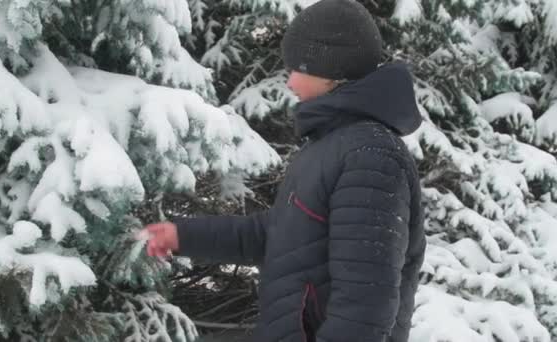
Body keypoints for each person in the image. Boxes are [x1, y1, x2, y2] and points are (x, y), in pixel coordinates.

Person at [138, 0, 426, 341]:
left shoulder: (371, 156)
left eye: (296, 68)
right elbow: (277, 235)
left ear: (329, 70)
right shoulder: (332, 146)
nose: (288, 82)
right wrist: (182, 235)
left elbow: (366, 300)